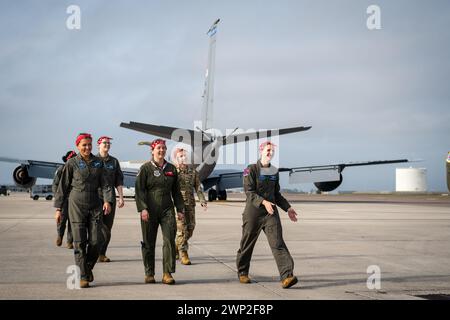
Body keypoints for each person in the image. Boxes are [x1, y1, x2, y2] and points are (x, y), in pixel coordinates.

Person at [236, 141, 299, 289]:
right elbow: (249, 192)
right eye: (268, 150)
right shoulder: (250, 169)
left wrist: (288, 208)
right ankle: (243, 272)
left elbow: (276, 194)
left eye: (272, 150)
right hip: (253, 212)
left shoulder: (274, 171)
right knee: (247, 243)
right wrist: (263, 202)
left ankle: (287, 276)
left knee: (277, 242)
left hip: (270, 213)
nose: (270, 152)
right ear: (261, 150)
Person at [54, 133, 112, 288]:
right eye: (84, 145)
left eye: (89, 144)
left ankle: (87, 267)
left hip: (95, 203)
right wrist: (59, 208)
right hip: (76, 205)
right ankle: (84, 276)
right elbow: (63, 187)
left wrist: (107, 200)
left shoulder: (99, 163)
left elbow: (106, 184)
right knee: (79, 242)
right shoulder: (71, 163)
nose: (87, 147)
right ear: (78, 146)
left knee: (96, 241)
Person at [135, 139, 184, 285]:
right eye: (158, 148)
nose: (161, 150)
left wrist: (180, 209)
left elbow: (176, 191)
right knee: (148, 242)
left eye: (163, 148)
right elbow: (140, 190)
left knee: (169, 240)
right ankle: (149, 273)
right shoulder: (145, 169)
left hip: (167, 209)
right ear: (152, 150)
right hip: (149, 210)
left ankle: (167, 273)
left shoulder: (171, 169)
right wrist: (143, 208)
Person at [172, 148, 207, 265]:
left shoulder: (193, 172)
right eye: (181, 156)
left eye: (184, 156)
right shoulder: (173, 172)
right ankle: (184, 254)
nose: (183, 158)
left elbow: (198, 187)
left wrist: (202, 200)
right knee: (181, 230)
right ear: (176, 158)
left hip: (190, 205)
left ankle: (176, 246)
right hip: (178, 206)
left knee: (190, 229)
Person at [96, 136, 125, 263]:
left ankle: (102, 253)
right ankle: (93, 252)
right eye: (104, 143)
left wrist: (121, 197)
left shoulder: (114, 162)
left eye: (108, 143)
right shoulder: (93, 160)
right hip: (95, 197)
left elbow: (118, 180)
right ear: (99, 145)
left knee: (107, 228)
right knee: (96, 227)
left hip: (110, 198)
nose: (107, 145)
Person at [52, 150, 76, 249]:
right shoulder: (61, 169)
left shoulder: (77, 170)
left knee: (72, 221)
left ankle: (70, 241)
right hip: (63, 199)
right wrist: (58, 196)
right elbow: (55, 184)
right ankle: (60, 236)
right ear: (67, 159)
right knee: (61, 220)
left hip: (74, 199)